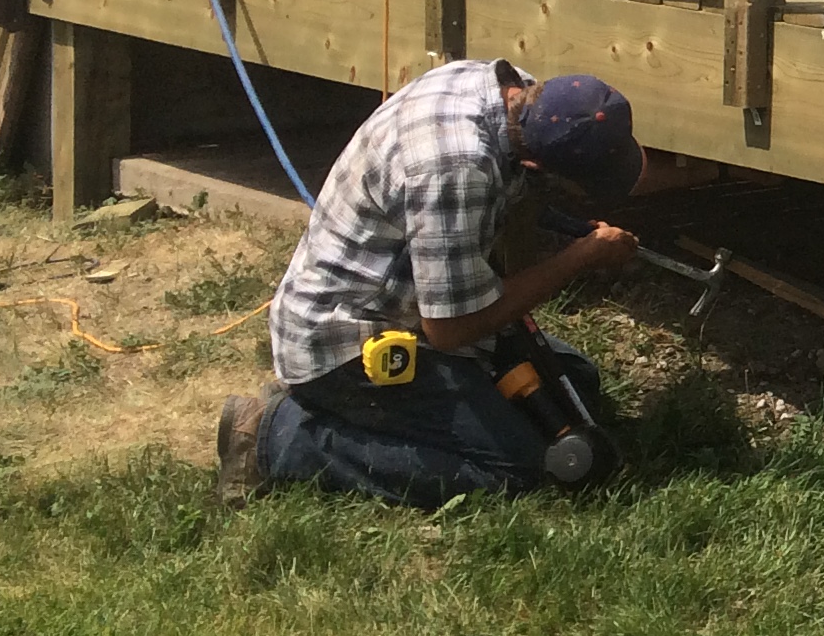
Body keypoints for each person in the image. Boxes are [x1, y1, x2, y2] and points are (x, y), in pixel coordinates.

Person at [214, 63, 648, 505]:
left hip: (414, 302)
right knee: (518, 468)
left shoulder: (511, 91)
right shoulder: (456, 167)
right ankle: (276, 434)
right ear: (535, 162)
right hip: (344, 340)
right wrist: (579, 259)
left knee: (577, 382)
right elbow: (451, 329)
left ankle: (369, 415)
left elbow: (506, 203)